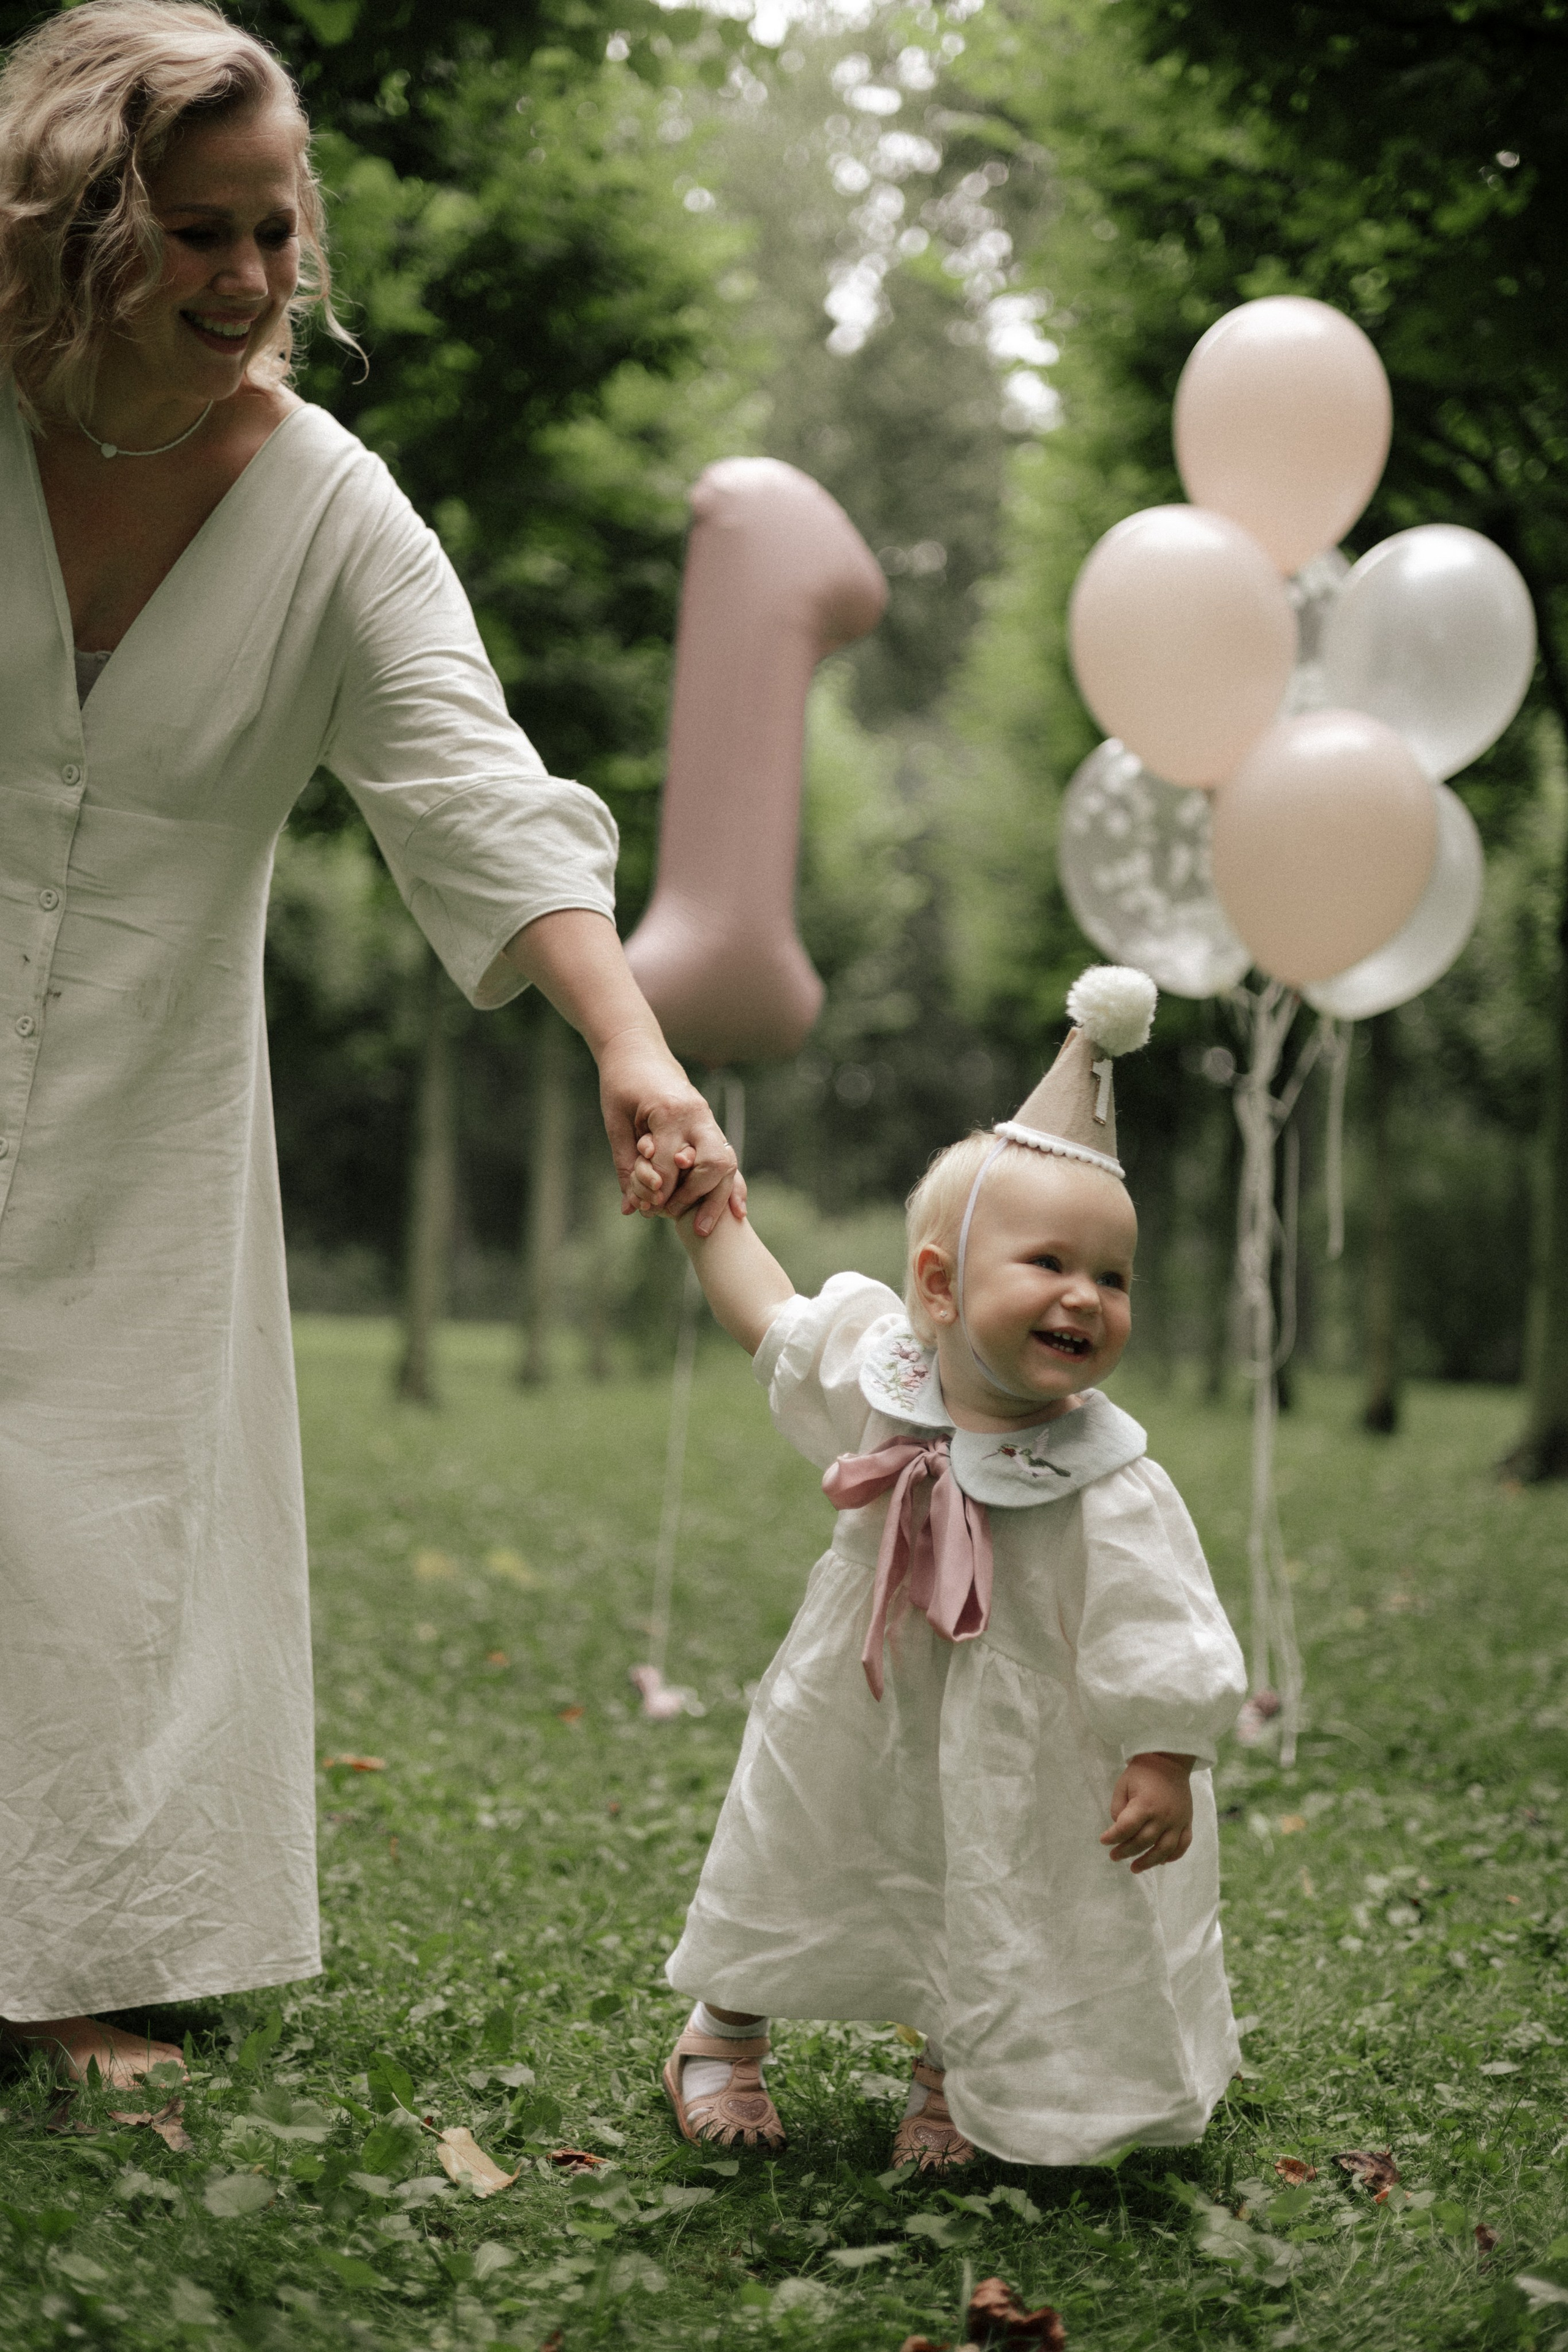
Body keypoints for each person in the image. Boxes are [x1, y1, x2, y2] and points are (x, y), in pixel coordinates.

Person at [0, 0, 734, 2091]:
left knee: (95, 1495)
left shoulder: (330, 510)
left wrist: (628, 1043)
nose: (247, 284)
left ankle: (59, 1961)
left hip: (149, 1095)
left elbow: (472, 788)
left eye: (275, 232)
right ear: (76, 223)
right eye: (199, 234)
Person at [644, 967, 1248, 2170]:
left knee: (990, 1880)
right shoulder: (885, 1379)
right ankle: (722, 2032)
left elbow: (1156, 1621)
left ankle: (950, 2071)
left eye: (1112, 1276)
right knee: (794, 1844)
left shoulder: (1105, 1472)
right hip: (855, 1703)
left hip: (1021, 1739)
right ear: (935, 1286)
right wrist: (710, 1218)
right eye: (1048, 1264)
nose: (1084, 1295)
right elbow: (772, 1319)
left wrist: (1163, 1753)